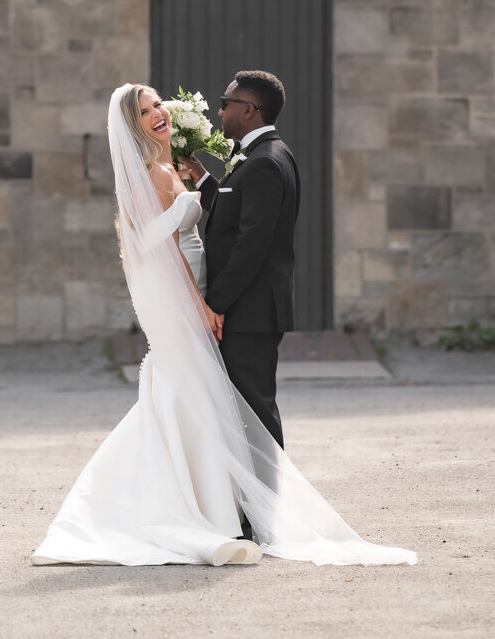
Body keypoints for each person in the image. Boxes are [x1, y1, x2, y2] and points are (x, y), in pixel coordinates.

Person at [31, 83, 417, 568]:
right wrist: (200, 302)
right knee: (199, 391)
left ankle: (238, 509)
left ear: (248, 110)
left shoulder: (256, 160)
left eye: (158, 106)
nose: (159, 113)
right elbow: (170, 244)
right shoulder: (160, 170)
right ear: (132, 125)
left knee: (210, 396)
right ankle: (220, 509)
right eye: (146, 110)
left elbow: (247, 235)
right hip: (184, 293)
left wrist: (210, 294)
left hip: (212, 297)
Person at [180, 70, 298, 456]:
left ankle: (267, 510)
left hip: (251, 312)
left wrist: (215, 303)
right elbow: (234, 214)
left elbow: (253, 245)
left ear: (248, 110)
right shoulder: (259, 155)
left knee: (254, 413)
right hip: (248, 309)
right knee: (240, 410)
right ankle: (249, 507)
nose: (219, 112)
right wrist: (200, 176)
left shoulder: (265, 160)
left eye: (226, 104)